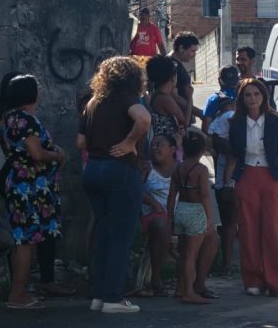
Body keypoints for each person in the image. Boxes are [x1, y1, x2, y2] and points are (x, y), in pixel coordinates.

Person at [77, 56, 152, 314]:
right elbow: (143, 119)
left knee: (104, 235)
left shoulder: (93, 102)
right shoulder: (126, 99)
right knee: (121, 236)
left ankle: (99, 296)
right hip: (119, 170)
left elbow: (81, 143)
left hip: (93, 169)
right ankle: (113, 298)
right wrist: (130, 142)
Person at [0, 75, 66, 309]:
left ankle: (17, 292)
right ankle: (17, 294)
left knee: (21, 239)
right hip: (30, 186)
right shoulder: (28, 120)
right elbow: (36, 154)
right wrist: (56, 155)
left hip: (19, 182)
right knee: (26, 241)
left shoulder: (10, 118)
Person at [225, 79, 278, 297]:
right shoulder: (236, 122)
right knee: (248, 229)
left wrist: (272, 174)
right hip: (246, 176)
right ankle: (253, 280)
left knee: (274, 229)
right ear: (242, 100)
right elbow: (234, 153)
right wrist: (229, 183)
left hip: (270, 176)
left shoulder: (274, 121)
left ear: (264, 97)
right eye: (247, 95)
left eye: (256, 94)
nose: (252, 99)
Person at [166, 128, 215, 305]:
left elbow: (172, 195)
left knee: (183, 252)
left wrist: (170, 216)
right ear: (202, 151)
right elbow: (204, 196)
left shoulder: (177, 168)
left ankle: (180, 288)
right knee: (190, 255)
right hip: (196, 212)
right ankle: (189, 292)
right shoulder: (200, 169)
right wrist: (209, 218)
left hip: (181, 209)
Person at [140, 133, 177, 297]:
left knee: (208, 232)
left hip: (177, 215)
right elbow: (135, 190)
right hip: (154, 216)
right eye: (153, 145)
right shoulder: (146, 168)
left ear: (172, 150)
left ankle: (196, 283)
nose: (154, 148)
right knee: (161, 225)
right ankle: (156, 277)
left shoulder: (180, 168)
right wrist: (154, 204)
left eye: (159, 144)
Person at [208, 95, 238, 274]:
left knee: (228, 222)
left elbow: (212, 142)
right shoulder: (230, 116)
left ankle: (226, 262)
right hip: (231, 180)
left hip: (221, 179)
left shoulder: (217, 120)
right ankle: (227, 264)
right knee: (232, 222)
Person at [145, 56, 186, 153]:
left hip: (161, 145)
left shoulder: (156, 94)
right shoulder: (164, 98)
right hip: (168, 148)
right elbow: (184, 121)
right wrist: (190, 97)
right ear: (172, 77)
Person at [168, 31, 201, 125]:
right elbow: (174, 96)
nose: (194, 55)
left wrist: (191, 114)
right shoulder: (170, 65)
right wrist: (200, 113)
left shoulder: (176, 64)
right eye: (192, 51)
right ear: (182, 48)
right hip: (176, 122)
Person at [202, 65, 240, 132]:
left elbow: (205, 128)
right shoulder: (243, 96)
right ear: (237, 80)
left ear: (220, 80)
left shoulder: (213, 99)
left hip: (220, 140)